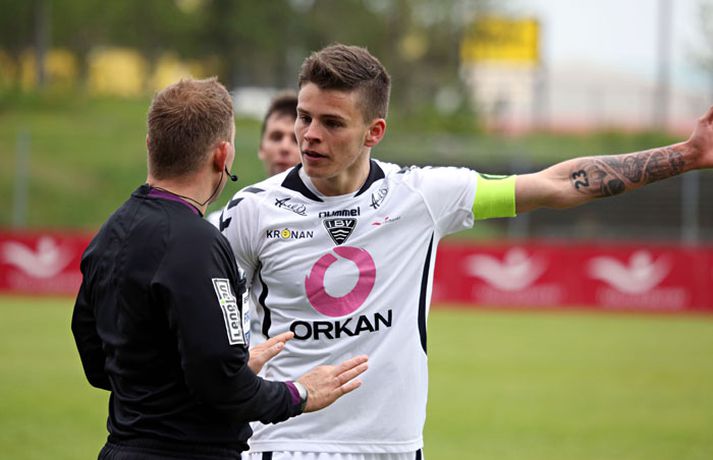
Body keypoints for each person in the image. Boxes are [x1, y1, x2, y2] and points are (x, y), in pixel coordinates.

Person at [219, 44, 713, 459]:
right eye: (305, 117)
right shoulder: (252, 211)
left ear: (374, 132)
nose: (309, 134)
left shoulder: (422, 197)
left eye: (332, 123)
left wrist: (688, 155)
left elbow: (557, 184)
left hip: (391, 446)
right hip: (283, 442)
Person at [71, 77, 368, 460]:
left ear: (150, 144)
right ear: (222, 155)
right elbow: (225, 387)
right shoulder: (199, 243)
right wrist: (302, 393)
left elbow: (98, 363)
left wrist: (220, 368)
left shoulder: (109, 233)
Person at [207, 91, 301, 227]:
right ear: (261, 147)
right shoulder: (227, 222)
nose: (284, 147)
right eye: (276, 137)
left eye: (295, 140)